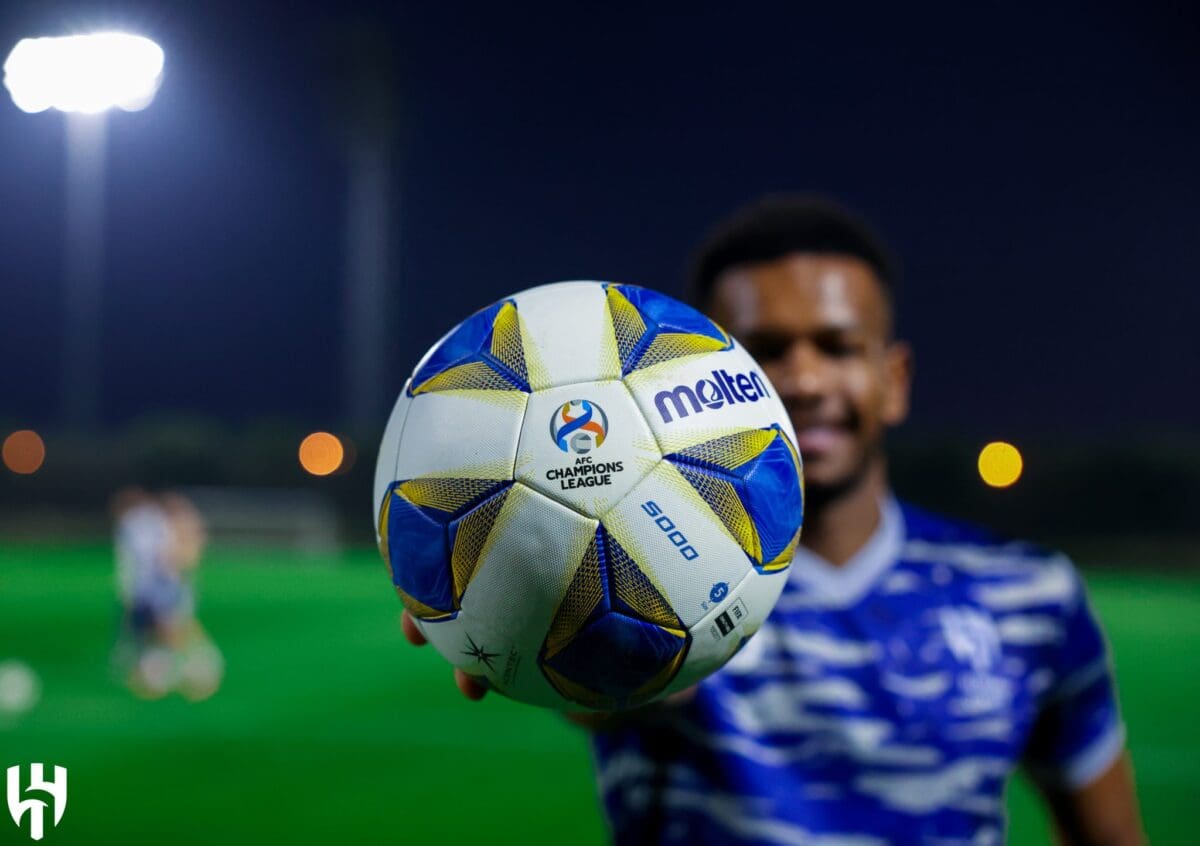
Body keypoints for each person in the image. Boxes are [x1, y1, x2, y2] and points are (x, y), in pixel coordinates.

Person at [400, 196, 1143, 845]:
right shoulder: (661, 582)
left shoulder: (1030, 597)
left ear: (894, 380)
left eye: (839, 346)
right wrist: (535, 607)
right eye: (767, 353)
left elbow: (1107, 833)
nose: (806, 380)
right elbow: (631, 685)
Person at [113, 487, 224, 701]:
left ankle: (196, 669)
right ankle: (170, 671)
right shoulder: (157, 525)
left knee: (172, 630)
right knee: (167, 630)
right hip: (164, 586)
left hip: (164, 587)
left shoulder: (154, 526)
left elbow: (174, 558)